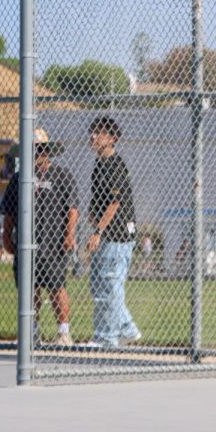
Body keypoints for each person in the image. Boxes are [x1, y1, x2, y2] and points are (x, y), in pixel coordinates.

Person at [0, 127, 79, 345]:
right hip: (25, 243)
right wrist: (6, 237)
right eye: (31, 150)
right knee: (29, 289)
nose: (36, 154)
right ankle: (32, 332)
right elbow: (9, 211)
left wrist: (70, 234)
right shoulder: (18, 179)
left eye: (40, 150)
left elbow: (72, 209)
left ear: (47, 151)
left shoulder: (62, 176)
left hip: (53, 244)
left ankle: (63, 332)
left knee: (56, 288)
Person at [87, 116, 141, 348]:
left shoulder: (115, 165)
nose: (93, 137)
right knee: (100, 284)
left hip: (117, 236)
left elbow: (114, 202)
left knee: (110, 285)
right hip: (107, 235)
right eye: (92, 132)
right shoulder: (100, 164)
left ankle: (107, 337)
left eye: (99, 133)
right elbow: (98, 200)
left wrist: (98, 230)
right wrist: (93, 220)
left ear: (112, 138)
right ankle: (128, 329)